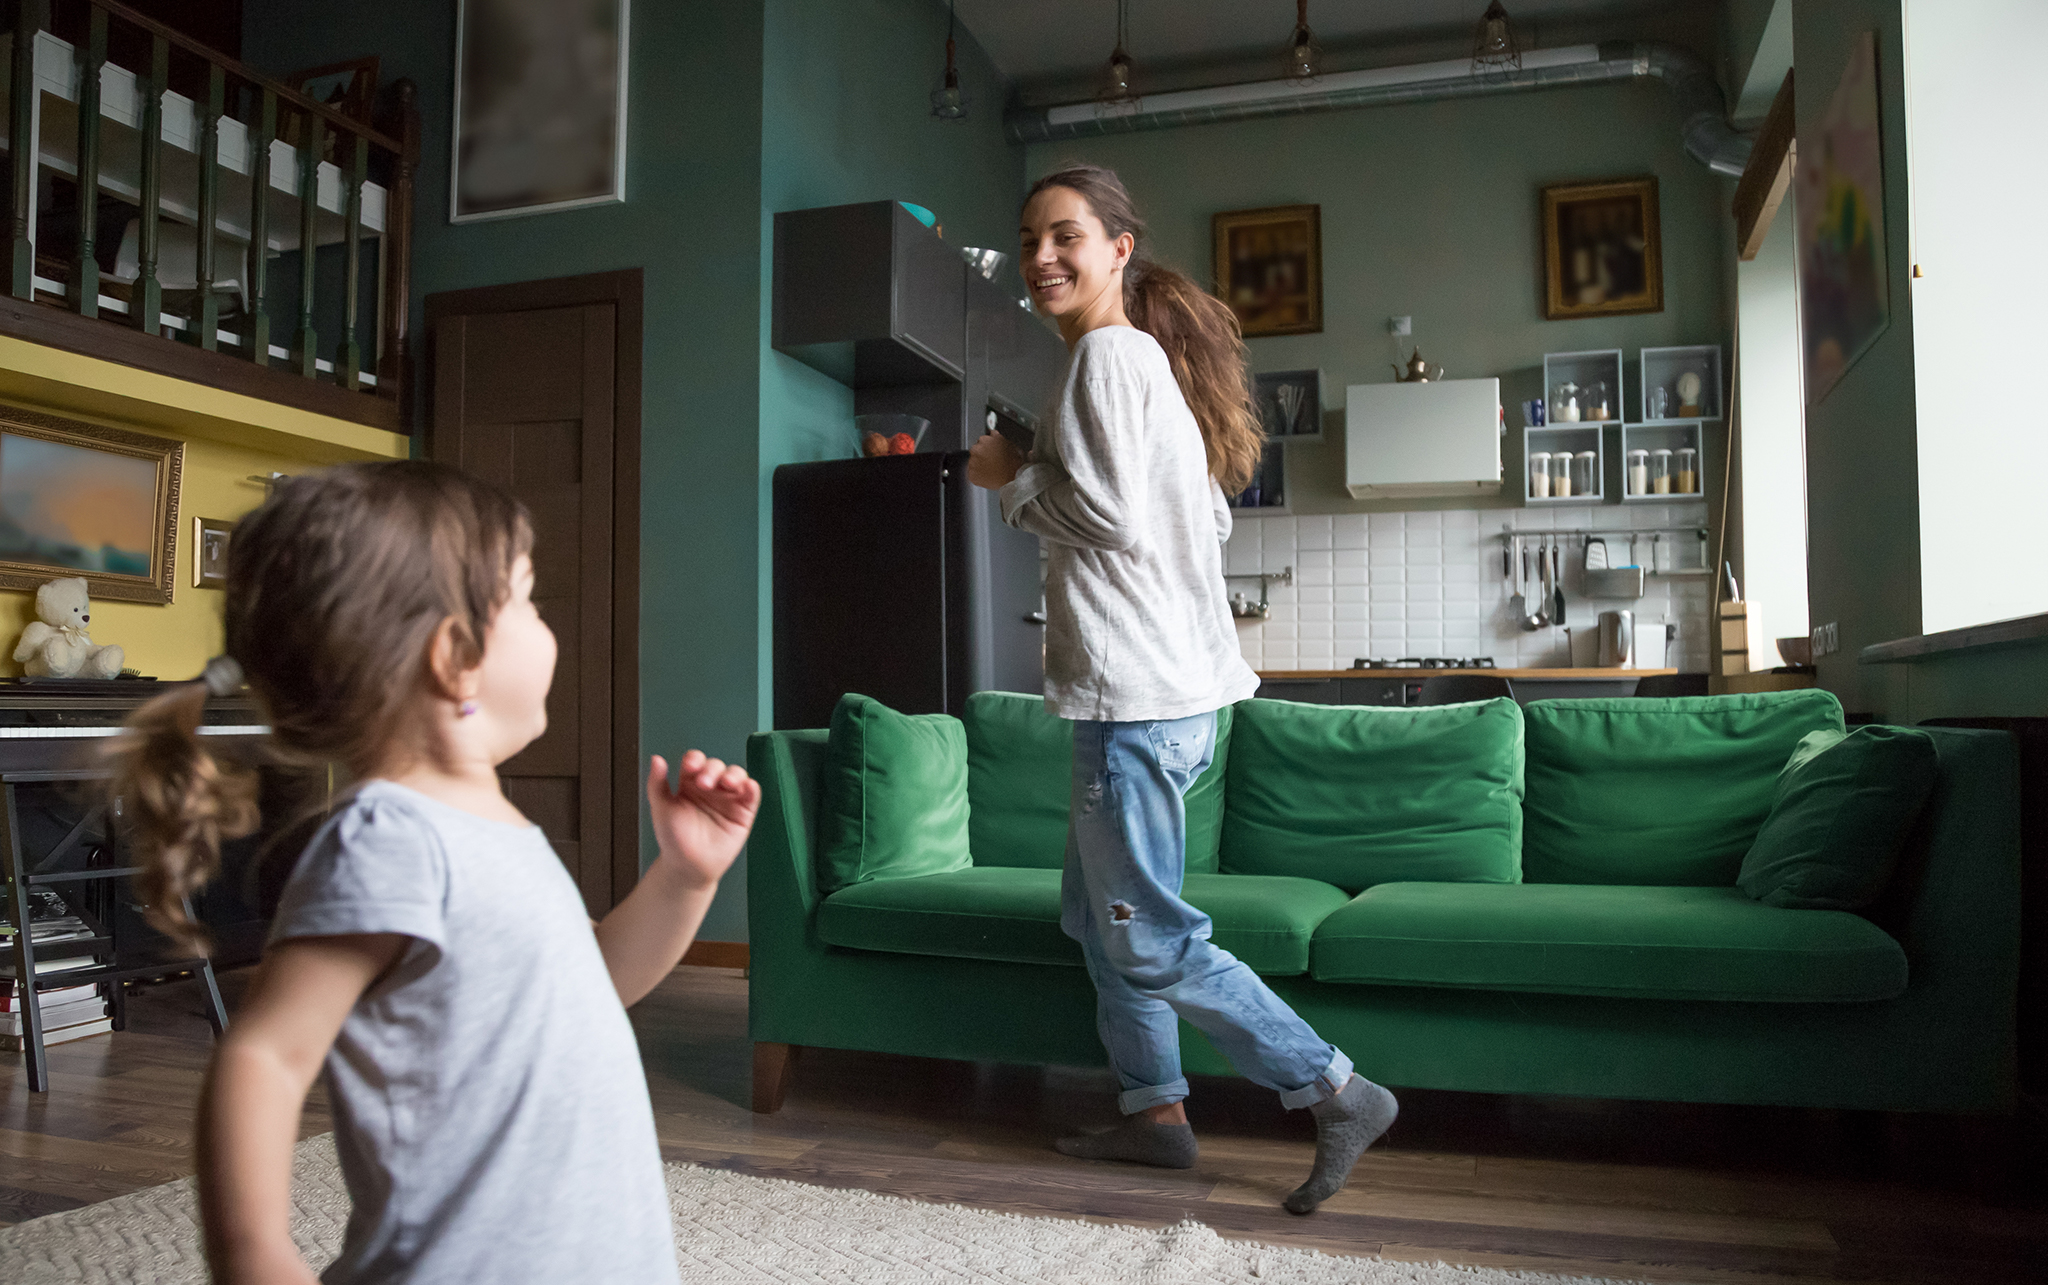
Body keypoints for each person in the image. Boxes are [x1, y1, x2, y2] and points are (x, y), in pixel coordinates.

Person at [111, 460, 759, 1284]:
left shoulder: (495, 829)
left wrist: (685, 876)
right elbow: (265, 1055)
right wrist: (254, 1252)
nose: (546, 620)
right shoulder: (391, 837)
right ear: (456, 656)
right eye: (527, 598)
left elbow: (593, 981)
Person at [966, 165, 1397, 1215]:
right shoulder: (1140, 366)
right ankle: (1153, 1111)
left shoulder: (1107, 358)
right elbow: (1198, 520)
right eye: (1027, 241)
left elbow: (1108, 521)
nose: (1040, 259)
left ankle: (1335, 1089)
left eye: (1063, 236)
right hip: (1158, 702)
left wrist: (1009, 481)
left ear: (1118, 248)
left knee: (1149, 935)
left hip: (1131, 706)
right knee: (1095, 916)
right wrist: (1041, 456)